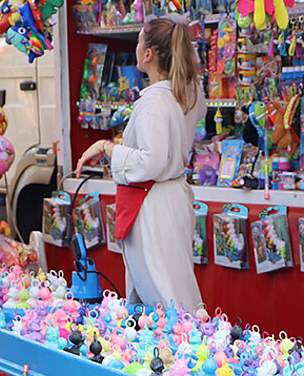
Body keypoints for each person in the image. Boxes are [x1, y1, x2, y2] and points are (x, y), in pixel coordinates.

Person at [74, 17, 206, 310]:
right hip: (170, 197)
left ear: (148, 54)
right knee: (174, 283)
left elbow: (151, 160)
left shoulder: (154, 101)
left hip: (152, 202)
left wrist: (108, 148)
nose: (135, 48)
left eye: (138, 42)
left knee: (162, 291)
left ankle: (179, 335)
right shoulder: (188, 92)